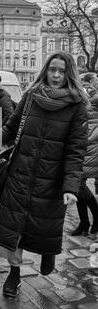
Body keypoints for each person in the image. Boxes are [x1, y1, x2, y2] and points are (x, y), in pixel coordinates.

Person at [0, 51, 88, 298]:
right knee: (14, 229)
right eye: (52, 69)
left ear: (69, 74)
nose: (56, 75)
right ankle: (14, 274)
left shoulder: (77, 105)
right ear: (45, 70)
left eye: (62, 71)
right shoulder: (31, 96)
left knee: (44, 226)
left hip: (52, 181)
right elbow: (10, 128)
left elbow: (76, 150)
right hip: (20, 175)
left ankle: (49, 251)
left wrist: (70, 186)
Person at [71, 79, 98, 236]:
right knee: (77, 184)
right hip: (84, 142)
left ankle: (95, 217)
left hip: (91, 144)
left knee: (78, 184)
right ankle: (84, 223)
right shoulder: (87, 96)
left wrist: (91, 138)